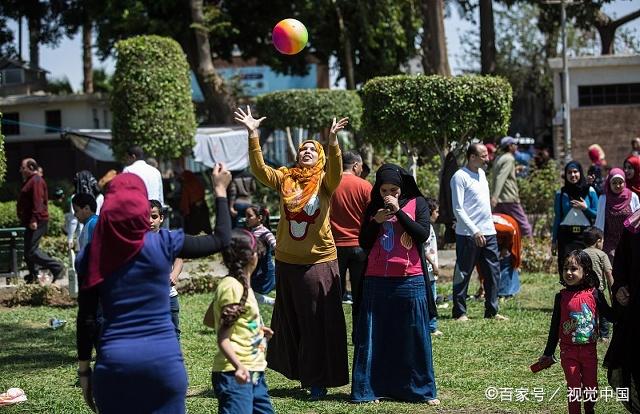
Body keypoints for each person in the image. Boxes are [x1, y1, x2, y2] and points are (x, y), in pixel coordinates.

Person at [75, 163, 232, 413]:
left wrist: (84, 370)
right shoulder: (164, 243)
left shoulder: (91, 255)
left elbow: (87, 318)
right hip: (164, 364)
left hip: (115, 365)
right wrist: (220, 191)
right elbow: (221, 239)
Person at [234, 106, 349, 400]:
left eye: (313, 148)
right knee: (293, 321)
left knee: (315, 322)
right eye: (303, 149)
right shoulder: (286, 178)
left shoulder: (325, 180)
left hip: (318, 262)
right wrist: (253, 134)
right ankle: (302, 373)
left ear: (320, 156)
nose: (307, 151)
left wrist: (333, 141)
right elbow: (260, 170)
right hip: (286, 262)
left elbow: (336, 169)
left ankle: (318, 380)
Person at [351, 163, 438, 404]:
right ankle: (370, 389)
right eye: (383, 190)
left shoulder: (417, 203)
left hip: (410, 279)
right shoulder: (372, 207)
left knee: (413, 336)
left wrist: (398, 211)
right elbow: (364, 242)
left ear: (402, 188)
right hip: (376, 280)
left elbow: (421, 235)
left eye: (394, 190)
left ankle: (419, 390)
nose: (388, 194)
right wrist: (376, 221)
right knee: (375, 336)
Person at [204, 229, 275, 414]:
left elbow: (211, 319)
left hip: (254, 369)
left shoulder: (238, 284)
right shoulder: (233, 288)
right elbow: (223, 337)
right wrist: (239, 366)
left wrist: (255, 329)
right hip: (236, 372)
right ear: (252, 257)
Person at [538, 250, 615, 414]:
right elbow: (554, 326)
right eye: (565, 268)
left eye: (573, 269)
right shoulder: (561, 297)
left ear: (585, 271)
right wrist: (548, 352)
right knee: (573, 388)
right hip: (568, 351)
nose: (568, 273)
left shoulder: (594, 294)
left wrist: (624, 306)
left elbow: (610, 315)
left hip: (589, 351)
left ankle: (589, 409)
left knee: (591, 387)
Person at [450, 143, 507, 321]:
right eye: (483, 155)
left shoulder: (482, 174)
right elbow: (458, 209)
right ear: (472, 157)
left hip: (488, 232)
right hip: (468, 235)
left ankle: (492, 310)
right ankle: (459, 312)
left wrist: (489, 226)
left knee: (492, 272)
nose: (487, 158)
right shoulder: (459, 177)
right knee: (463, 272)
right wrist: (474, 231)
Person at [604, 208, 640, 413]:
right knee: (633, 365)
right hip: (637, 311)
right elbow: (621, 265)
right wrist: (619, 288)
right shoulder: (634, 226)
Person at [329, 150, 372, 310]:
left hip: (335, 247)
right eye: (361, 166)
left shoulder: (330, 184)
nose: (362, 170)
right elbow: (373, 217)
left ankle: (335, 333)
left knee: (334, 297)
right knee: (360, 296)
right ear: (355, 165)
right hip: (359, 246)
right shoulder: (365, 186)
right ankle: (359, 333)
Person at [16, 158, 65, 284]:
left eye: (23, 167)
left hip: (37, 221)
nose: (20, 170)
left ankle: (57, 267)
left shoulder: (36, 181)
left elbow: (38, 203)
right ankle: (34, 275)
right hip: (31, 221)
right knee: (28, 251)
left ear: (31, 168)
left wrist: (34, 220)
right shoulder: (30, 181)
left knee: (32, 251)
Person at [551, 161, 599, 276]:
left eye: (575, 172)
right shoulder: (561, 193)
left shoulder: (590, 191)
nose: (573, 175)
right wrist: (554, 241)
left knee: (585, 268)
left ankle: (584, 294)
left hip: (585, 236)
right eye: (569, 172)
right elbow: (557, 217)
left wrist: (585, 208)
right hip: (566, 236)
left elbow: (598, 215)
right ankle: (568, 293)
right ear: (566, 175)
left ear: (580, 173)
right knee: (567, 268)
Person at [150, 199, 184, 338]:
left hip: (168, 296)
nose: (150, 221)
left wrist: (174, 274)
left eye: (154, 216)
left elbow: (179, 258)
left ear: (161, 218)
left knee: (173, 333)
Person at [594, 168, 640, 262]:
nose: (617, 185)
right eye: (614, 183)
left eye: (620, 182)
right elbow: (599, 221)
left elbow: (638, 218)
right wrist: (597, 241)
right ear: (609, 183)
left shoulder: (633, 196)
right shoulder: (603, 198)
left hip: (629, 243)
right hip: (609, 244)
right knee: (612, 273)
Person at [491, 136, 532, 237]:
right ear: (509, 146)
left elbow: (499, 174)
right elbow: (501, 177)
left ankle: (503, 250)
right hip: (509, 198)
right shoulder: (509, 158)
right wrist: (495, 197)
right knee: (524, 226)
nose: (516, 146)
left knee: (498, 225)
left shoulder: (499, 158)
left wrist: (515, 170)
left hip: (500, 200)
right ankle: (532, 249)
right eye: (514, 144)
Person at [582, 227, 614, 341]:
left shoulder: (580, 253)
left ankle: (586, 333)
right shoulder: (602, 254)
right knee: (604, 313)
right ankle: (604, 335)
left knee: (586, 313)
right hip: (597, 291)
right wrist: (613, 290)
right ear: (598, 241)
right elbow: (608, 273)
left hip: (582, 291)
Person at [245, 205, 276, 306]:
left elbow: (275, 246)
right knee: (248, 295)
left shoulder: (265, 233)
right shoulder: (251, 231)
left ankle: (272, 303)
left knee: (249, 296)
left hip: (262, 271)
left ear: (259, 218)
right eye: (246, 216)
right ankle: (272, 303)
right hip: (254, 270)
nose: (247, 219)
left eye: (249, 216)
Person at [424, 197, 443, 337]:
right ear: (430, 211)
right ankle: (431, 326)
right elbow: (424, 249)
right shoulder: (426, 227)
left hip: (429, 270)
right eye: (436, 211)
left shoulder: (427, 226)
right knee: (432, 298)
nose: (438, 214)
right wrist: (433, 264)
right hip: (428, 270)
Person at [493, 213, 522, 298]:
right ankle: (499, 290)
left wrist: (506, 247)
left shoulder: (496, 227)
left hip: (511, 233)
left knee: (507, 260)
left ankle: (505, 292)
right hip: (500, 237)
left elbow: (510, 231)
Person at [179, 170, 212, 235]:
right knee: (205, 227)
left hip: (193, 209)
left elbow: (185, 200)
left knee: (193, 230)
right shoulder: (198, 183)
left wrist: (184, 210)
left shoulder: (186, 185)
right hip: (202, 207)